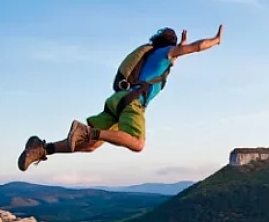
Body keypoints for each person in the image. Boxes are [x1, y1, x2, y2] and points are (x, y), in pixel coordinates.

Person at [17, 24, 224, 171]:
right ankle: (85, 130)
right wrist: (215, 40)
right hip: (132, 102)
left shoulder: (153, 57)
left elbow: (174, 61)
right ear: (172, 46)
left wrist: (182, 41)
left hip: (117, 100)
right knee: (137, 143)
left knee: (90, 145)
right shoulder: (166, 53)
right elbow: (196, 47)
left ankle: (42, 149)